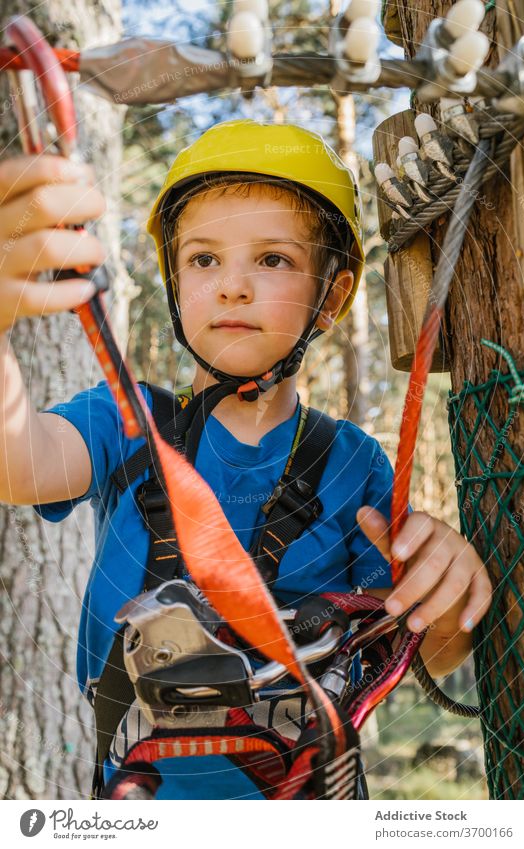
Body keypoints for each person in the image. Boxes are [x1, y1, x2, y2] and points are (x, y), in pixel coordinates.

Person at [0, 119, 491, 800]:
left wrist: (448, 602)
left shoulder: (353, 466)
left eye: (272, 259)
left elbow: (426, 649)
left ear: (334, 296)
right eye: (203, 259)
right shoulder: (125, 422)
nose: (231, 286)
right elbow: (19, 461)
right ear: (175, 281)